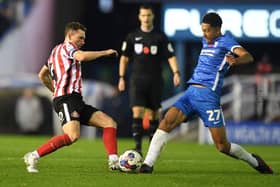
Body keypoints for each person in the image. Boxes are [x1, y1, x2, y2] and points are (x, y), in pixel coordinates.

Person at [139, 12, 273, 174]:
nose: (204, 34)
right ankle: (148, 164)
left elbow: (248, 56)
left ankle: (254, 161)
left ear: (218, 29)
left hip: (208, 97)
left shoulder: (226, 41)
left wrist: (236, 60)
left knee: (222, 146)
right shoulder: (206, 40)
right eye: (202, 30)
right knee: (166, 121)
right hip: (191, 93)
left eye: (207, 30)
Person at [23, 22, 119, 173]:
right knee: (72, 136)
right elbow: (81, 57)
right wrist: (105, 52)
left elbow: (42, 75)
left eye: (84, 39)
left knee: (109, 123)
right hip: (67, 99)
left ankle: (114, 161)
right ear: (70, 35)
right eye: (80, 38)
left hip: (74, 100)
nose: (83, 41)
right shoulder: (68, 47)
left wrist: (54, 90)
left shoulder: (55, 51)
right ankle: (33, 156)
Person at [118, 4, 180, 155]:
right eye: (143, 15)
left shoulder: (160, 37)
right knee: (137, 111)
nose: (146, 18)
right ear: (139, 17)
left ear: (153, 16)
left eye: (149, 15)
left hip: (155, 80)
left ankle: (153, 146)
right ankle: (138, 147)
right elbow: (124, 59)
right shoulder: (132, 36)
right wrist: (121, 78)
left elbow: (170, 56)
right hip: (137, 80)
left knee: (153, 114)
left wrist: (176, 72)